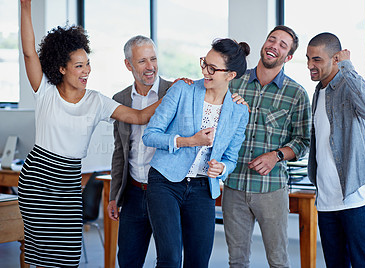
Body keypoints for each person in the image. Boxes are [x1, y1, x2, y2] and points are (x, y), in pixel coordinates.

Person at [18, 1, 159, 267]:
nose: (87, 71)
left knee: (69, 255)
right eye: (79, 66)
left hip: (69, 180)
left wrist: (174, 94)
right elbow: (28, 54)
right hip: (38, 179)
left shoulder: (97, 101)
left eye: (88, 64)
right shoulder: (45, 91)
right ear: (62, 68)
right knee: (45, 256)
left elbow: (139, 116)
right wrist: (26, 8)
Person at [142, 38, 250, 268]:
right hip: (165, 182)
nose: (205, 71)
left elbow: (231, 158)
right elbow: (150, 135)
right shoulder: (183, 89)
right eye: (204, 63)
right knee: (170, 259)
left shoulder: (239, 110)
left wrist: (223, 168)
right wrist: (188, 141)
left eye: (212, 68)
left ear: (230, 75)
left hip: (203, 190)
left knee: (199, 261)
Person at [222, 25, 312, 268]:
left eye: (283, 45)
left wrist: (276, 155)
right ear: (264, 43)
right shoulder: (234, 82)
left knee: (278, 261)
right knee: (236, 261)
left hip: (271, 189)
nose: (275, 45)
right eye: (272, 40)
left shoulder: (296, 94)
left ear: (289, 57)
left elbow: (304, 142)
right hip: (234, 185)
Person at [306, 32, 365, 268]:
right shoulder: (318, 93)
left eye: (316, 59)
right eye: (308, 59)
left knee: (363, 264)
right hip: (327, 201)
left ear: (335, 58)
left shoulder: (349, 87)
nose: (310, 65)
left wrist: (347, 67)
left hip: (355, 197)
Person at [106, 35, 172, 268]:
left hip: (166, 193)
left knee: (168, 260)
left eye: (153, 59)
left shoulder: (174, 92)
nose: (150, 66)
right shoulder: (120, 99)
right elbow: (119, 152)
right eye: (142, 61)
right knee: (128, 260)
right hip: (133, 192)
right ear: (128, 65)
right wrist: (115, 194)